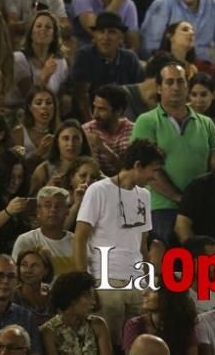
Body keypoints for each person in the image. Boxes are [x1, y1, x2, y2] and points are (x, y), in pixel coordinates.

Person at [74, 139, 164, 349]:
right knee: (108, 346)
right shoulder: (99, 190)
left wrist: (148, 282)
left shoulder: (145, 195)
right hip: (106, 281)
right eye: (153, 170)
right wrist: (84, 285)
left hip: (137, 283)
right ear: (138, 165)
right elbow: (80, 237)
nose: (155, 176)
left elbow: (142, 244)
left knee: (138, 347)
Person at [131, 60, 215, 244]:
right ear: (159, 88)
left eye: (181, 82)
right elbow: (147, 169)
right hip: (161, 207)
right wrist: (179, 198)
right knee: (167, 266)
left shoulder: (206, 123)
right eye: (169, 82)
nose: (176, 87)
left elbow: (214, 166)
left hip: (200, 208)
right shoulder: (146, 122)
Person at [71, 12, 144, 121]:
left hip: (123, 117)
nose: (106, 37)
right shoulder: (85, 55)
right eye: (101, 32)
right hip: (91, 116)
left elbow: (139, 93)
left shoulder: (130, 58)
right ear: (94, 36)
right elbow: (82, 96)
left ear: (121, 37)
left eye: (112, 32)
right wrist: (92, 124)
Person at [40, 270, 112, 355]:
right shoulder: (49, 331)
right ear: (71, 298)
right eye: (87, 295)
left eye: (92, 295)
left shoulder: (98, 325)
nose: (93, 301)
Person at [11, 186, 75, 276]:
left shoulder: (78, 242)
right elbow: (17, 275)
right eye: (48, 205)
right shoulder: (26, 240)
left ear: (67, 212)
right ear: (38, 212)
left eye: (58, 206)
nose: (53, 210)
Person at [122, 285, 198, 355]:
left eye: (153, 290)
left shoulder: (185, 324)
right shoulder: (134, 324)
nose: (144, 293)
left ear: (169, 295)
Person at [83, 84, 134, 177]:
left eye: (102, 109)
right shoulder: (87, 130)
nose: (95, 114)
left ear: (118, 111)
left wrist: (102, 147)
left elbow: (130, 171)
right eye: (94, 107)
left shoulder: (132, 131)